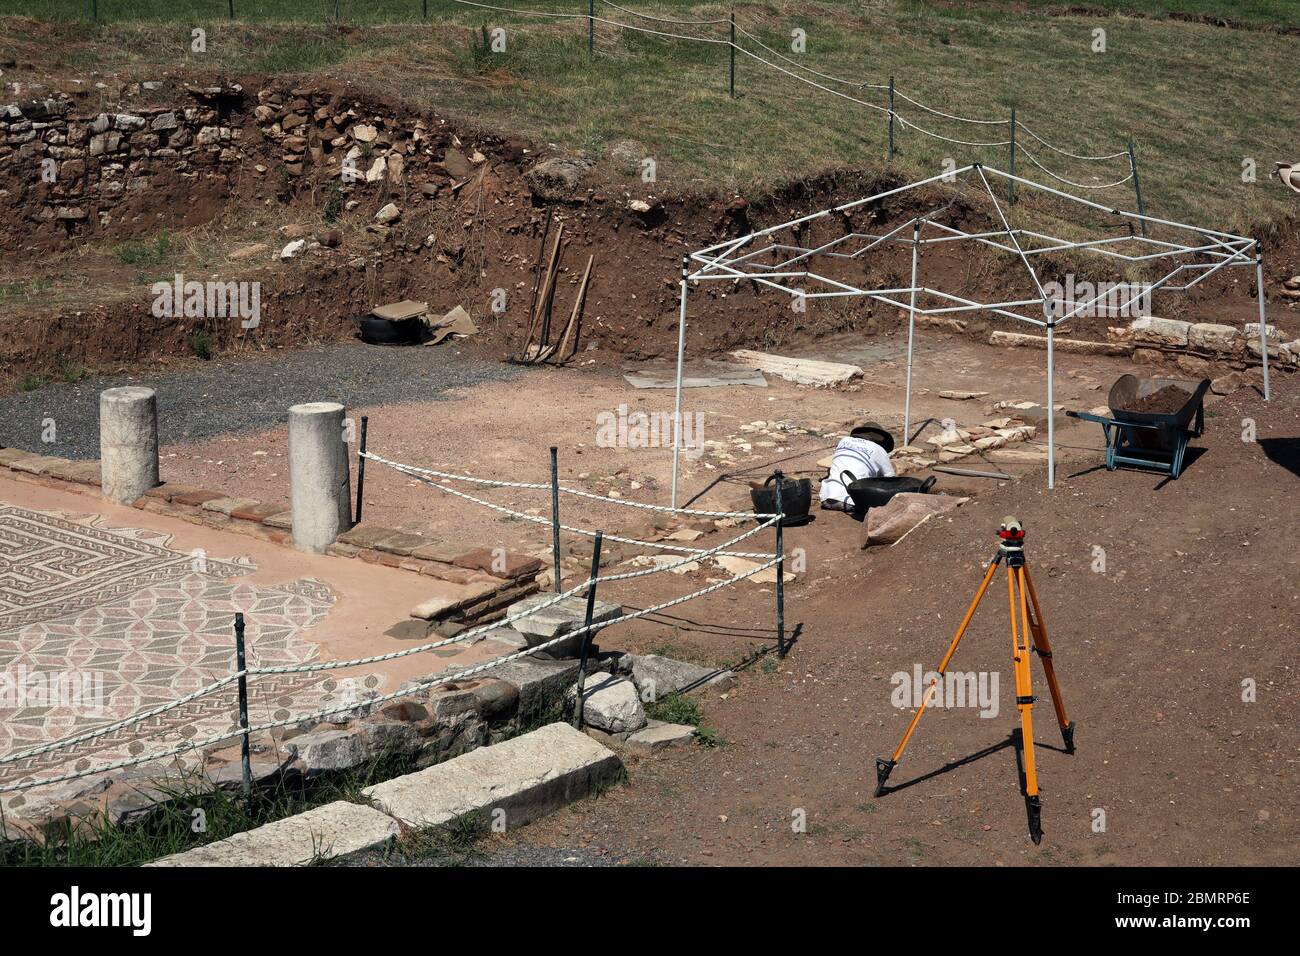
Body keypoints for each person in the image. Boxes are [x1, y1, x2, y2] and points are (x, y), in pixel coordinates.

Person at [819, 421, 895, 512]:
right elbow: (891, 480)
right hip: (853, 502)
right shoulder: (879, 450)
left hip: (826, 498)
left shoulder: (844, 440)